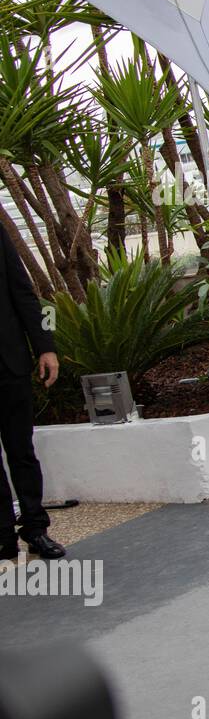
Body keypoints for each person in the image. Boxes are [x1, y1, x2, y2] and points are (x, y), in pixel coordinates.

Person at [0, 223, 67, 561]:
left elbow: (24, 292)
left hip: (8, 362)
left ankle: (36, 530)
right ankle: (2, 537)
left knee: (21, 451)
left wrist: (45, 346)